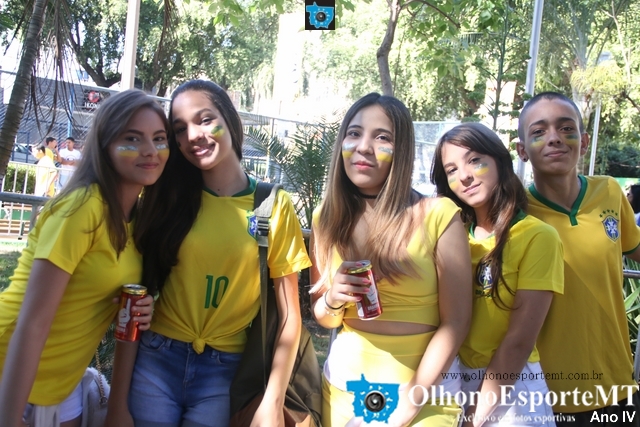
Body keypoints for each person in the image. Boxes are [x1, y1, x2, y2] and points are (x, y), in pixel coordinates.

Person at [105, 79, 311, 427]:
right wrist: (117, 404)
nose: (193, 136)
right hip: (156, 360)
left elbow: (291, 316)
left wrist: (273, 403)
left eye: (204, 119)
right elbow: (134, 301)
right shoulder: (165, 198)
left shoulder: (272, 205)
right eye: (180, 129)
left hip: (225, 373)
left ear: (230, 118)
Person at [0, 89, 168, 427]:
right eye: (132, 138)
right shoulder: (83, 208)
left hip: (60, 384)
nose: (150, 150)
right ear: (105, 144)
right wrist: (9, 417)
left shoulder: (139, 219)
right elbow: (33, 322)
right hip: (11, 372)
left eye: (159, 138)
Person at [310, 92, 472, 427]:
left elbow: (456, 323)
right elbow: (325, 318)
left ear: (401, 151)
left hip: (425, 397)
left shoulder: (439, 215)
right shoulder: (326, 218)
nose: (364, 147)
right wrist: (332, 299)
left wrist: (410, 403)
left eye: (381, 137)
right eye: (354, 133)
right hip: (343, 391)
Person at [516, 91, 640, 426]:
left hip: (617, 388)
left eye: (566, 128)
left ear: (583, 142)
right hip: (545, 398)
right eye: (539, 131)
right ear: (522, 150)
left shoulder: (610, 192)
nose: (554, 138)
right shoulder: (514, 214)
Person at [431, 122, 564, 426]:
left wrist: (475, 416)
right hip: (456, 381)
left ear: (500, 162)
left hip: (512, 390)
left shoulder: (537, 236)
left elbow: (519, 341)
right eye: (451, 170)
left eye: (475, 160)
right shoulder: (452, 238)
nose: (464, 175)